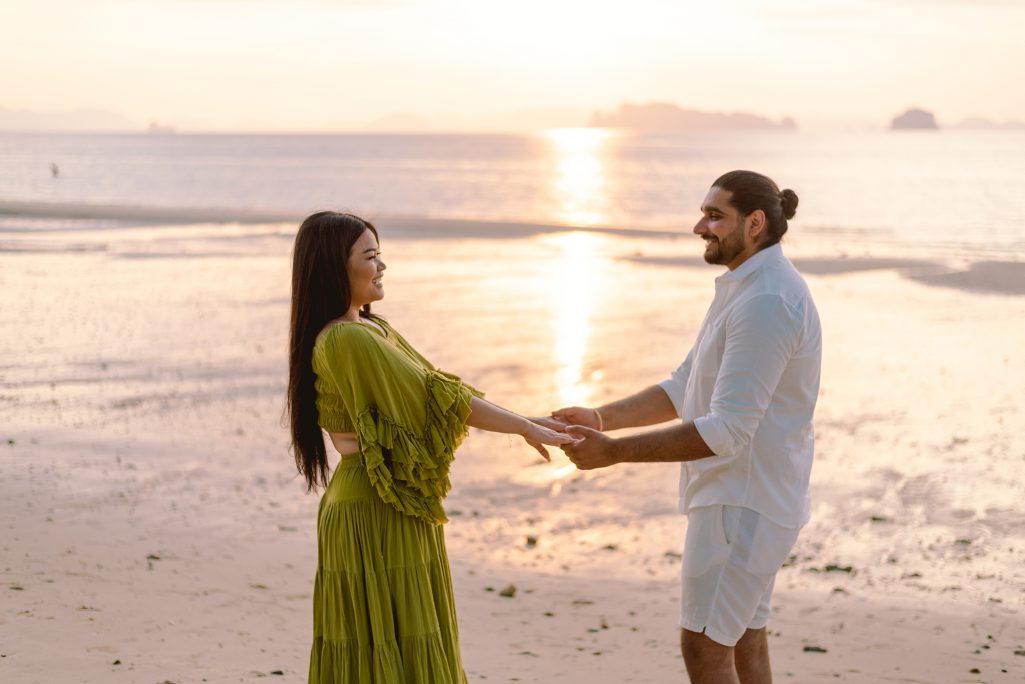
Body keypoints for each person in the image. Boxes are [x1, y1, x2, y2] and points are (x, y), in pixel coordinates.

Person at [550, 171, 822, 684]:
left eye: (715, 215)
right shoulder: (745, 287)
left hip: (743, 502)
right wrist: (601, 417)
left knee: (703, 644)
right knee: (743, 634)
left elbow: (727, 431)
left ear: (756, 223)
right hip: (747, 498)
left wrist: (612, 452)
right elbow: (683, 385)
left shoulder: (766, 301)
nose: (701, 226)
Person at [287, 211, 575, 683]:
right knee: (382, 645)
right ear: (333, 267)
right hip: (371, 504)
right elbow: (442, 401)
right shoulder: (346, 338)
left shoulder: (374, 329)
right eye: (371, 256)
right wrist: (523, 428)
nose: (382, 267)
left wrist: (525, 422)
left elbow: (442, 390)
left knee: (411, 638)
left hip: (391, 496)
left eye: (380, 255)